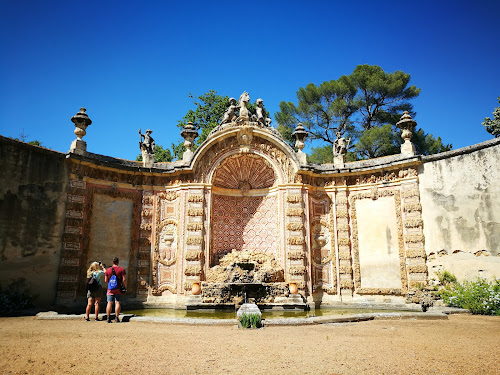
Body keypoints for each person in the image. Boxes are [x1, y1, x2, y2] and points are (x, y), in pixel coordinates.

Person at [105, 257, 127, 323]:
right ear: (118, 262)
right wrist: (125, 287)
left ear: (112, 262)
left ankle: (108, 318)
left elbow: (106, 280)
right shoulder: (122, 269)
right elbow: (124, 279)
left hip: (110, 289)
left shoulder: (108, 270)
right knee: (117, 302)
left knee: (109, 303)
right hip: (118, 288)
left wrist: (111, 284)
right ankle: (116, 318)